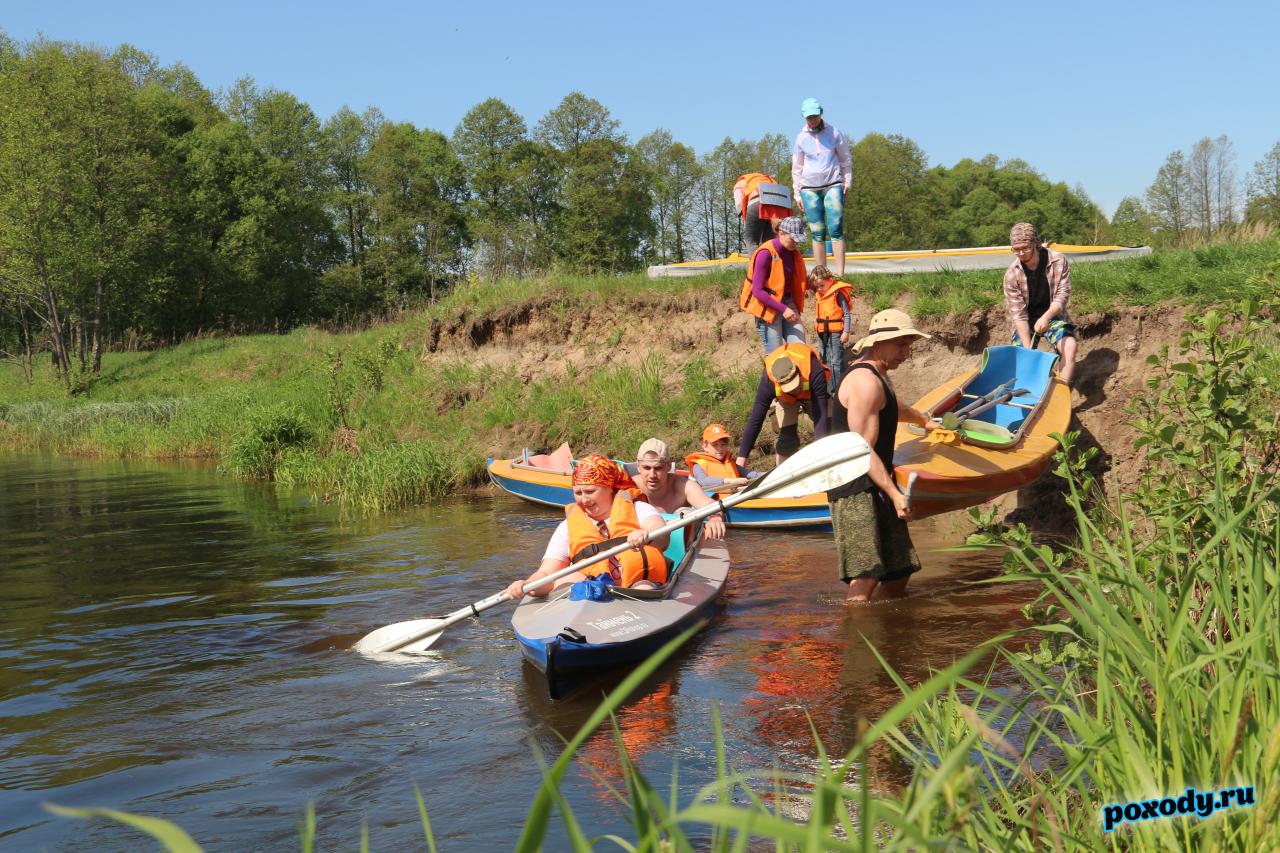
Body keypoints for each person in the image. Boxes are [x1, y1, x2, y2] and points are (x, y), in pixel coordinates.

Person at [831, 310, 936, 603]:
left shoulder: (878, 375)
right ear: (878, 343)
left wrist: (923, 420)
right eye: (901, 345)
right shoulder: (865, 383)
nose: (907, 353)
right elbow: (862, 451)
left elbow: (893, 407)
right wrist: (895, 494)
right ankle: (858, 641)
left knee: (900, 568)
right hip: (854, 487)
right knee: (867, 573)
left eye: (909, 345)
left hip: (876, 480)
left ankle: (891, 635)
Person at [504, 454, 669, 600]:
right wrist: (527, 585)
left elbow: (661, 534)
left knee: (643, 587)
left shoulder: (637, 508)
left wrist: (646, 533)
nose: (584, 500)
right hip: (590, 591)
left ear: (610, 488)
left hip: (638, 585)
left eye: (590, 491)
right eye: (578, 493)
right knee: (566, 581)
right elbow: (547, 573)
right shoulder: (567, 527)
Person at [1004, 222, 1078, 386]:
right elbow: (1019, 316)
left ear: (1036, 244)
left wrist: (1046, 317)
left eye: (1025, 248)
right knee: (1023, 356)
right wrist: (1028, 350)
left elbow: (1062, 295)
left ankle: (1062, 391)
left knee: (1070, 346)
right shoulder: (1011, 275)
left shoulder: (1058, 260)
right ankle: (1029, 391)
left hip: (1052, 316)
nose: (1021, 253)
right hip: (1026, 321)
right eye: (1016, 249)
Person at [736, 342, 830, 468]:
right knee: (786, 440)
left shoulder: (813, 369)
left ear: (798, 372)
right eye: (789, 387)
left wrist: (822, 452)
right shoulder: (768, 381)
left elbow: (820, 413)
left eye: (795, 385)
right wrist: (741, 460)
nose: (794, 389)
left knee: (832, 429)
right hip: (787, 401)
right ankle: (786, 472)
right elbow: (755, 419)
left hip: (813, 397)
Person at [792, 98, 852, 277]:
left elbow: (845, 159)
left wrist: (847, 181)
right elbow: (797, 167)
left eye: (815, 116)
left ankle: (840, 274)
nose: (812, 120)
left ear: (820, 114)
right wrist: (797, 195)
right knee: (817, 232)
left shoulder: (834, 133)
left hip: (833, 184)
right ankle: (822, 275)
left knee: (836, 228)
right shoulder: (801, 138)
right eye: (809, 117)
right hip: (809, 189)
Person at [629, 438, 727, 541]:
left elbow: (707, 502)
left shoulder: (683, 485)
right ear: (638, 467)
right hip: (641, 541)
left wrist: (715, 517)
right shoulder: (629, 486)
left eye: (658, 468)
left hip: (680, 543)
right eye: (647, 468)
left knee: (685, 512)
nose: (652, 475)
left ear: (668, 466)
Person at [738, 215, 808, 353]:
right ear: (781, 234)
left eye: (798, 240)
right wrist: (783, 309)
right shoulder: (765, 253)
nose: (795, 243)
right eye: (793, 239)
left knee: (800, 350)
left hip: (788, 303)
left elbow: (793, 280)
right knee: (776, 358)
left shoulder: (793, 252)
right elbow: (757, 291)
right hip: (768, 306)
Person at [807, 265, 853, 399]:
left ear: (830, 280)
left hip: (835, 332)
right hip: (822, 331)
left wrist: (846, 331)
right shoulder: (819, 293)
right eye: (817, 287)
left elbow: (847, 314)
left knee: (836, 361)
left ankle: (839, 390)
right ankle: (828, 389)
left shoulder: (837, 293)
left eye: (821, 285)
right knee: (824, 360)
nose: (819, 289)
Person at [684, 423, 764, 491]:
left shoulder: (730, 462)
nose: (720, 449)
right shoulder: (698, 465)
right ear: (705, 446)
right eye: (715, 445)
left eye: (723, 445)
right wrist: (728, 480)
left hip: (736, 498)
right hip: (714, 503)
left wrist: (770, 473)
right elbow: (703, 481)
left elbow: (751, 474)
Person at [733, 171, 790, 253]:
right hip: (780, 205)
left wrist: (747, 222)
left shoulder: (740, 183)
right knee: (769, 242)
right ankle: (773, 264)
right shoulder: (767, 179)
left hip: (758, 201)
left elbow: (739, 205)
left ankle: (757, 264)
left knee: (751, 240)